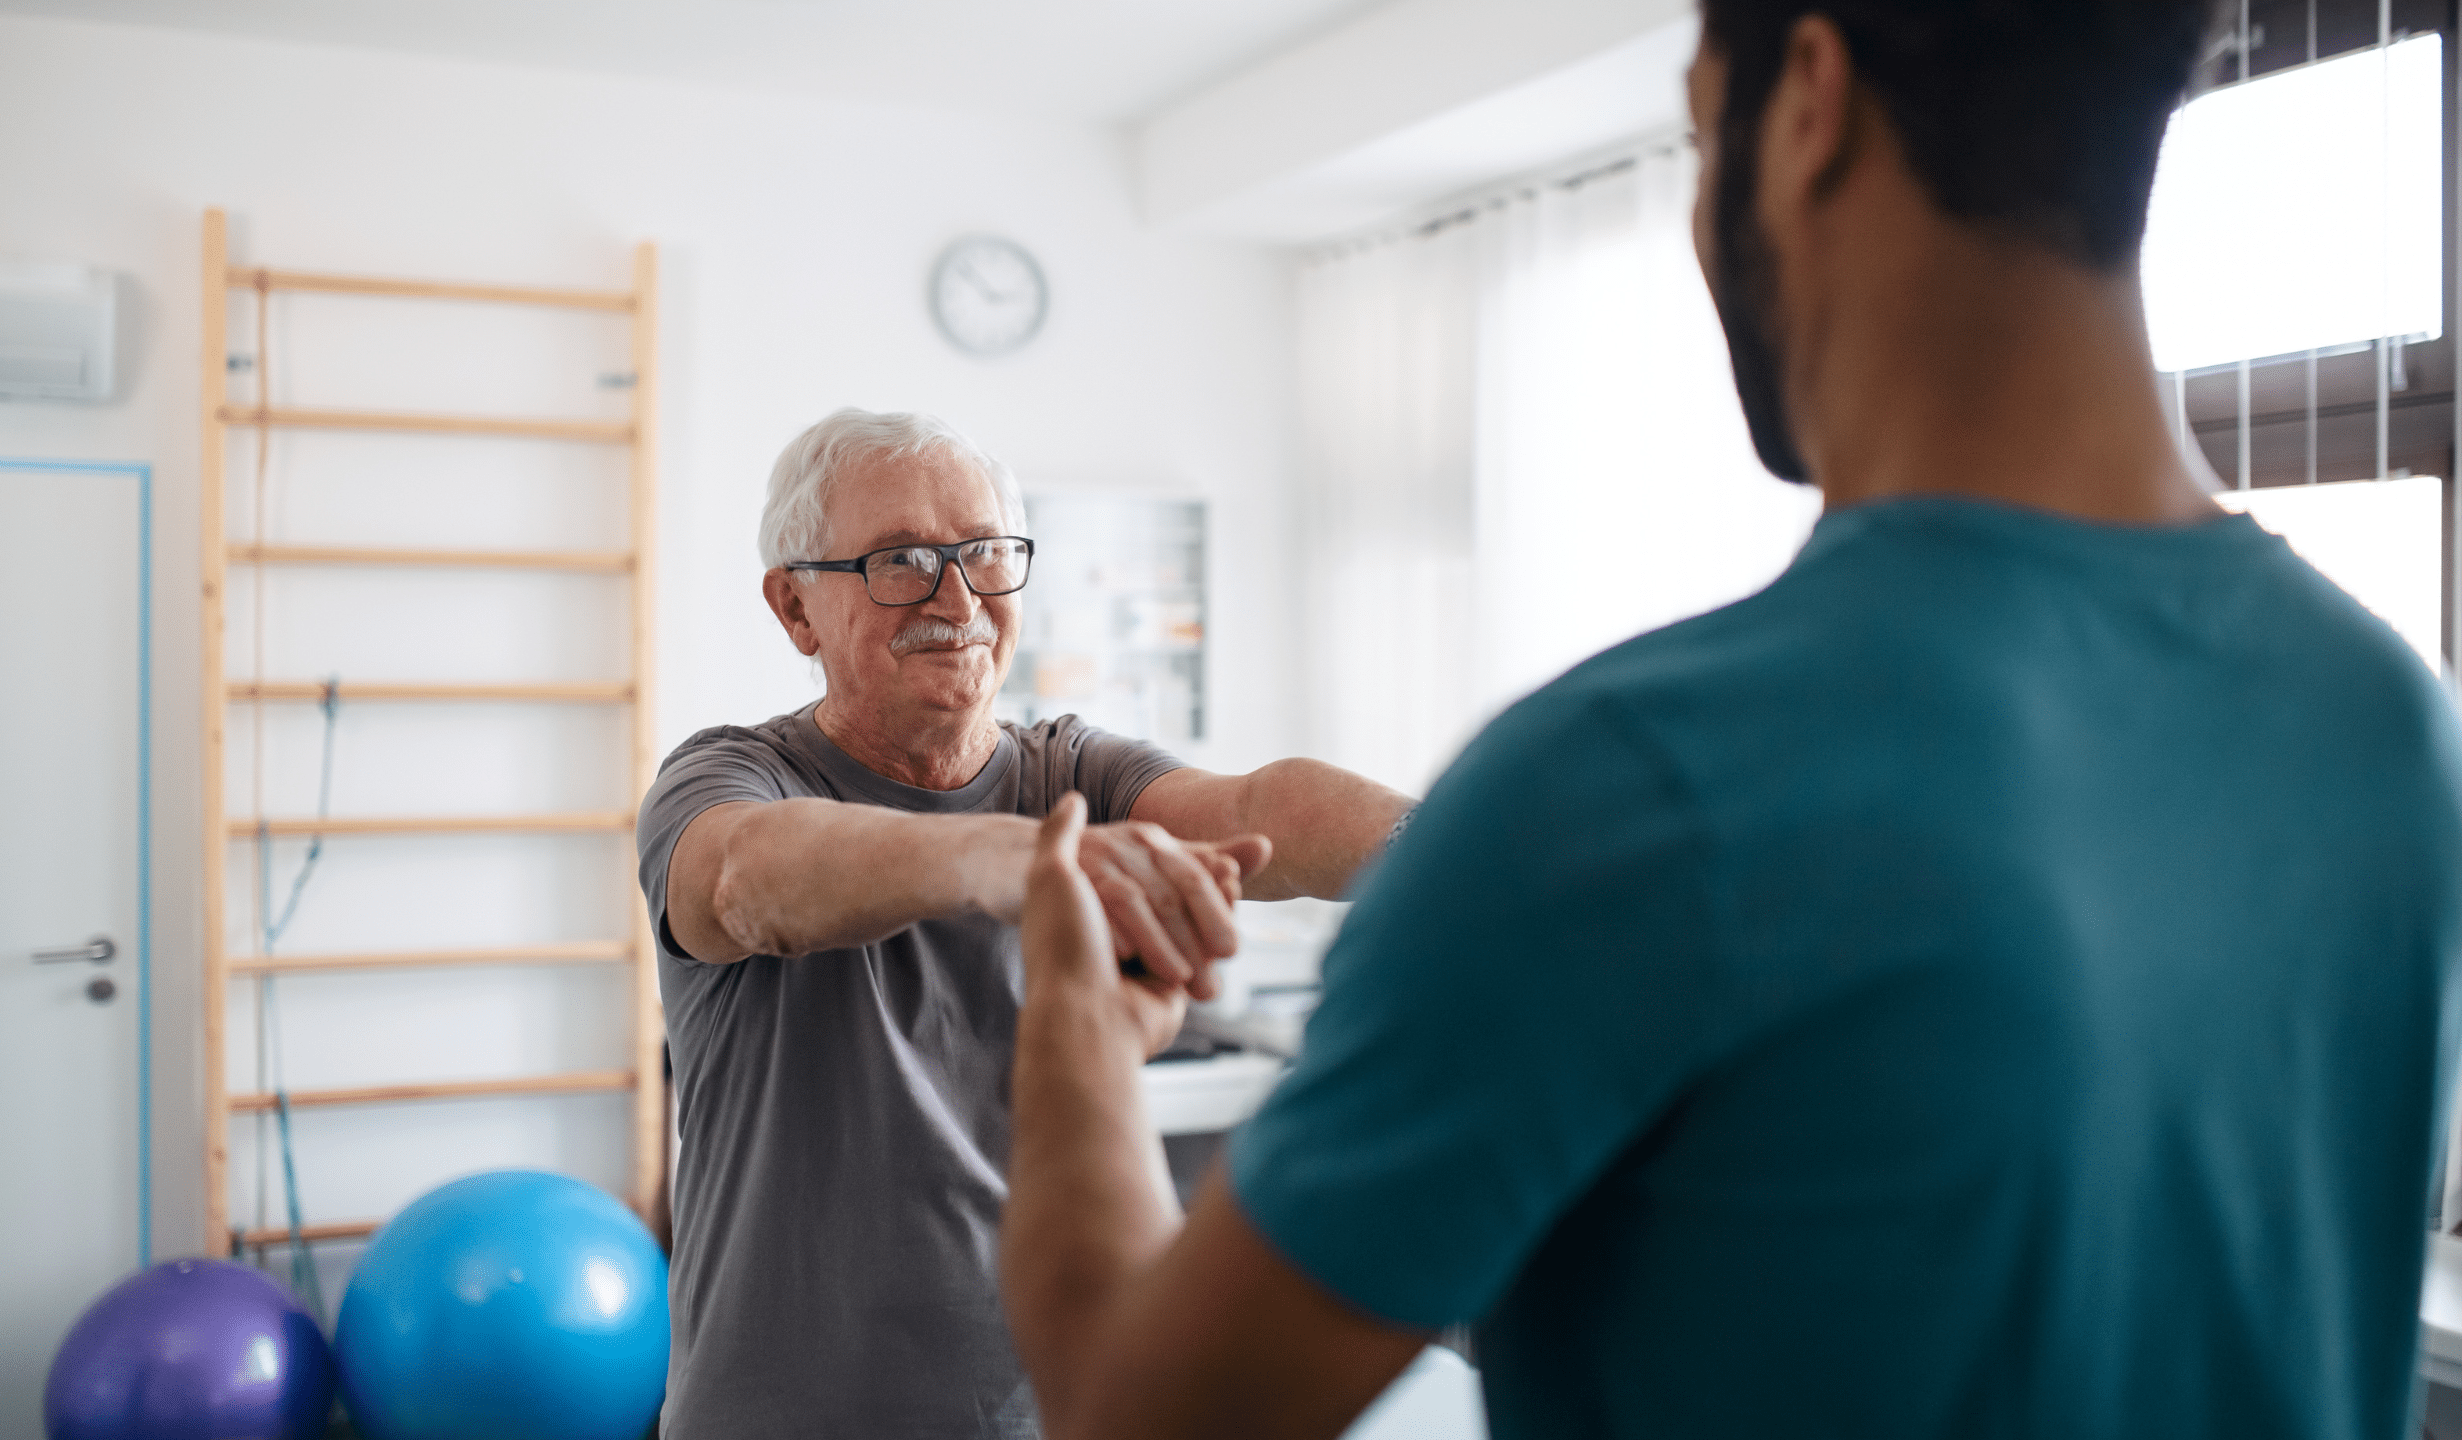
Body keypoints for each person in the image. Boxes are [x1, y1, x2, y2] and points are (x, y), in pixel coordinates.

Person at [998, 3, 2462, 1438]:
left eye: (1704, 137)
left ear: (1810, 95)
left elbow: (1138, 1409)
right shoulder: (2390, 721)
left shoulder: (1625, 783)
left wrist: (1073, 1018)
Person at [634, 407, 1413, 1438]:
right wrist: (1014, 857)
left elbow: (1259, 811)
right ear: (795, 607)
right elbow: (742, 881)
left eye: (987, 554)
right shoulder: (730, 776)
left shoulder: (1072, 772)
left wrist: (1463, 856)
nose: (957, 597)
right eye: (901, 559)